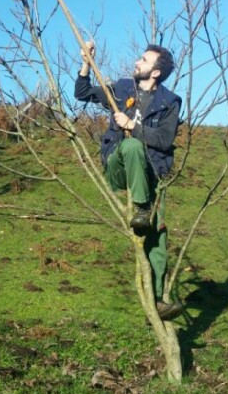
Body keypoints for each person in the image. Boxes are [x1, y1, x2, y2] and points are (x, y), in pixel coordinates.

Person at [74, 42, 183, 321]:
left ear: (155, 72)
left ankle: (156, 302)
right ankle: (140, 208)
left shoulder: (170, 102)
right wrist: (87, 62)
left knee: (158, 235)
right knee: (132, 147)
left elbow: (164, 140)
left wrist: (132, 125)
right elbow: (82, 93)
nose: (137, 62)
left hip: (150, 174)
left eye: (143, 60)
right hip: (119, 164)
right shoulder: (123, 88)